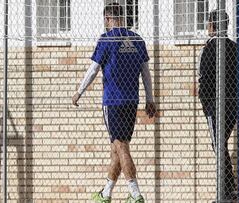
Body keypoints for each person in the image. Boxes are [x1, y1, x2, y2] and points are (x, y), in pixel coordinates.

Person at [72, 3, 156, 203]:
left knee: (121, 147)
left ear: (108, 19)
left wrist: (79, 92)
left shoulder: (107, 39)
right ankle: (106, 194)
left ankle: (135, 194)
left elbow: (93, 70)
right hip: (131, 101)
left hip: (112, 101)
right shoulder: (137, 39)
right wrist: (150, 99)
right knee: (117, 149)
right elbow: (145, 73)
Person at [198, 10, 239, 201]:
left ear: (212, 26)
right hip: (233, 106)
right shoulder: (236, 48)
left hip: (215, 107)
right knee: (221, 144)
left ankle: (226, 189)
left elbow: (203, 79)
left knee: (218, 145)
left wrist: (206, 106)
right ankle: (228, 188)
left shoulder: (210, 47)